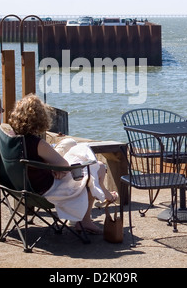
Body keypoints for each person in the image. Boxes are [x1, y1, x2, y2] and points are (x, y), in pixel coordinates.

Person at [8, 93, 118, 234]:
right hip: (46, 190)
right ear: (39, 119)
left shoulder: (11, 137)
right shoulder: (37, 144)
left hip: (22, 184)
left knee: (71, 144)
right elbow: (65, 167)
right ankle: (85, 220)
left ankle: (99, 199)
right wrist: (54, 168)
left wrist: (50, 165)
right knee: (97, 167)